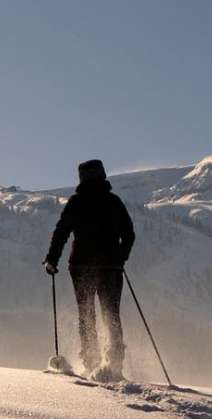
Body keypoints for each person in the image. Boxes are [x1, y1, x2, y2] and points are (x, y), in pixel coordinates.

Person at [44, 159, 135, 381]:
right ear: (102, 175)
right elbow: (129, 233)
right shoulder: (113, 202)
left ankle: (92, 362)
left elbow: (61, 232)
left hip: (81, 267)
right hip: (111, 268)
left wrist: (52, 260)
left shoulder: (76, 202)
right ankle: (114, 366)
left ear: (81, 178)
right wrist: (120, 257)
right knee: (111, 314)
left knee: (86, 314)